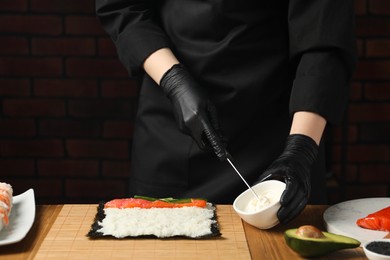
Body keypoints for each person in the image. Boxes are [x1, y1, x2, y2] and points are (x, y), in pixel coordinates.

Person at [95, 1, 356, 224]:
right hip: (172, 139)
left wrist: (301, 148)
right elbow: (122, 6)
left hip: (278, 138)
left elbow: (325, 36)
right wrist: (172, 79)